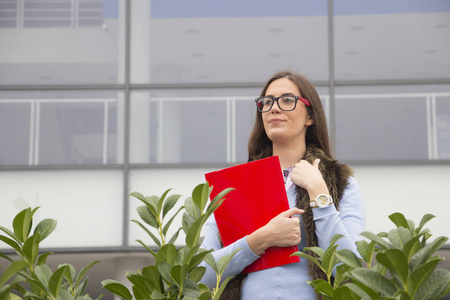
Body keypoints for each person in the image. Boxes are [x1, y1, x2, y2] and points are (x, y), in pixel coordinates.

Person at [200, 70, 365, 299]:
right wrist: (261, 239)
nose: (274, 108)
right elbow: (200, 275)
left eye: (287, 100)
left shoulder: (340, 182)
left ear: (310, 116)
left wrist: (319, 193)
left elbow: (352, 271)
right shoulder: (234, 187)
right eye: (267, 102)